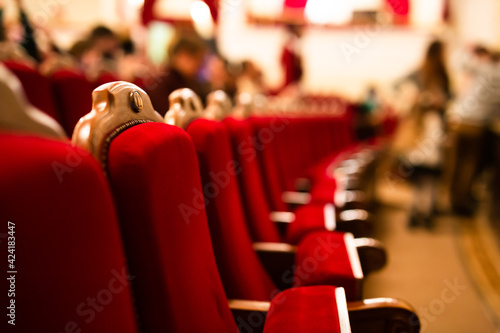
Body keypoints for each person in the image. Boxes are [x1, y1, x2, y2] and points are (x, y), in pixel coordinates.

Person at [392, 40, 451, 227]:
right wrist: (415, 97)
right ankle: (417, 209)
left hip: (435, 126)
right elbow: (397, 84)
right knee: (419, 170)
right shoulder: (420, 72)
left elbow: (450, 98)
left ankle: (426, 209)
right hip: (420, 126)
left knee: (432, 171)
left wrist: (441, 102)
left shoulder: (443, 74)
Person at [447, 46, 500, 216]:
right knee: (470, 165)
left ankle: (454, 199)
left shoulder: (485, 68)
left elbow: (458, 60)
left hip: (461, 119)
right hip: (478, 125)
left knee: (457, 163)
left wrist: (470, 49)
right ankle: (461, 201)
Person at [146, 34, 209, 116]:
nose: (198, 65)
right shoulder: (161, 85)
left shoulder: (192, 83)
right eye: (196, 58)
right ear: (181, 55)